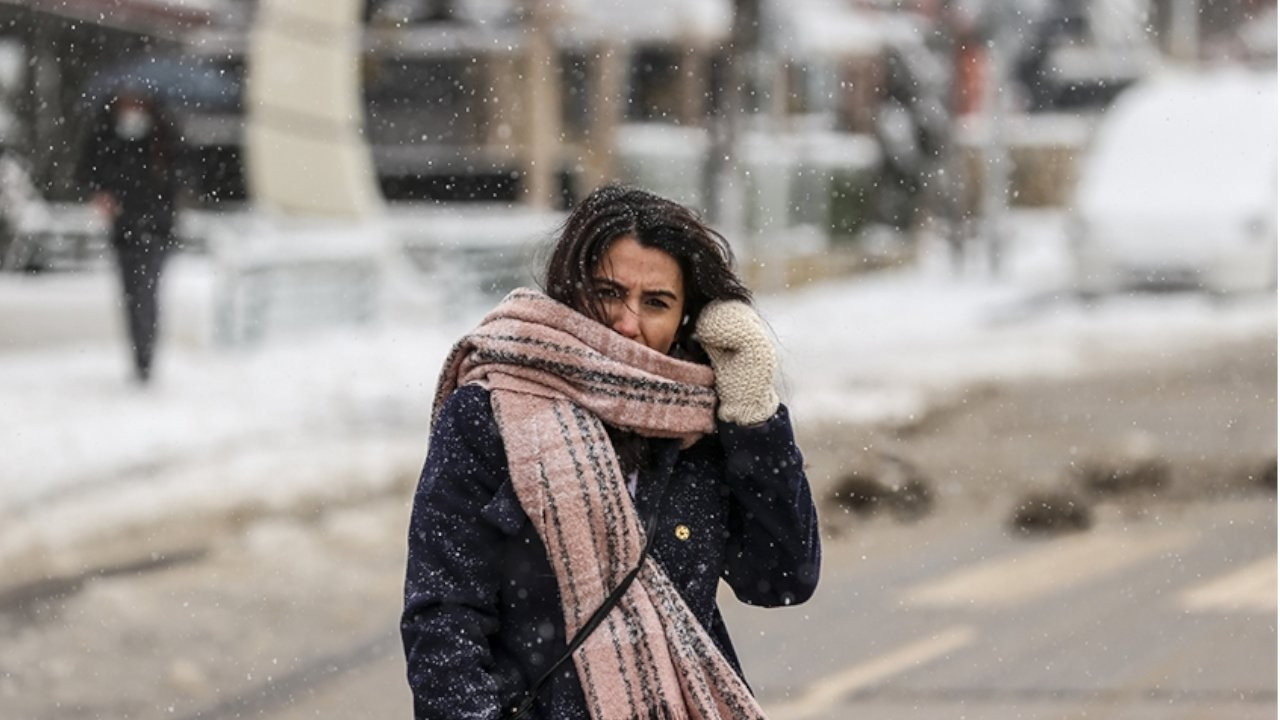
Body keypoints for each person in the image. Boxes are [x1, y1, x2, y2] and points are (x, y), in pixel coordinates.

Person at [401, 184, 821, 719]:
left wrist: (752, 412)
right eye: (607, 292)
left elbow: (784, 577)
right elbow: (443, 619)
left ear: (686, 318)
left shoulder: (699, 427)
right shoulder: (490, 412)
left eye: (656, 303)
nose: (627, 322)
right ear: (569, 291)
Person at [78, 87, 181, 383]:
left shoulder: (164, 133)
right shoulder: (106, 134)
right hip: (124, 229)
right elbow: (89, 173)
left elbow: (180, 178)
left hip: (156, 230)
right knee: (132, 294)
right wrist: (101, 195)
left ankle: (145, 357)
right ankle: (140, 354)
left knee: (145, 292)